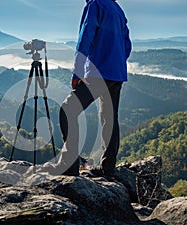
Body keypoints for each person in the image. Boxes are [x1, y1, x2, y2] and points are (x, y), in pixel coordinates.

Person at [59, 0, 132, 180]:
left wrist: (77, 72)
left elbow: (85, 38)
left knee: (68, 110)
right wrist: (116, 60)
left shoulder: (95, 5)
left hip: (98, 72)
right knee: (110, 119)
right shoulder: (117, 9)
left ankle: (70, 165)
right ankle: (108, 171)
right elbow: (127, 44)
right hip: (117, 73)